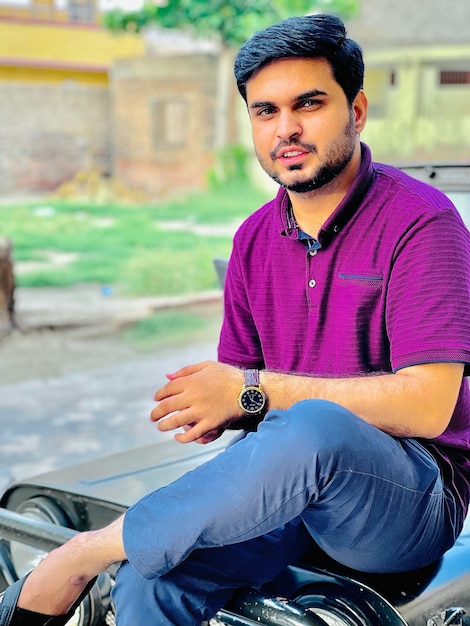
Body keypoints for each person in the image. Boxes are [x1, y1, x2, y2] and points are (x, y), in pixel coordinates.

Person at [1, 12, 470, 626]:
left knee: (314, 429)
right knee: (151, 581)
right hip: (288, 495)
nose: (287, 129)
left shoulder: (422, 221)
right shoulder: (253, 238)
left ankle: (80, 555)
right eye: (265, 111)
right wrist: (215, 405)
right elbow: (247, 398)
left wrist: (249, 392)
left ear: (356, 111)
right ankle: (112, 559)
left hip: (402, 506)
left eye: (309, 104)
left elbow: (429, 404)